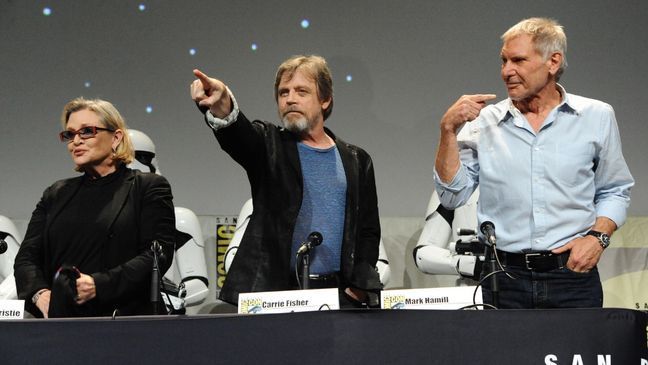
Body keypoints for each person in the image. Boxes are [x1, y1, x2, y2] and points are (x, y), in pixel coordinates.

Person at [434, 18, 634, 309]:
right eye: (503, 61)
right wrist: (447, 132)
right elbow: (452, 195)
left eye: (518, 60)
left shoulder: (597, 116)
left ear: (553, 61)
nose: (506, 71)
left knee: (573, 354)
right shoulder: (483, 122)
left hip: (573, 276)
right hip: (503, 279)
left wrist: (597, 238)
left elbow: (616, 190)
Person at [190, 55, 382, 308]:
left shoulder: (357, 159)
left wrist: (357, 288)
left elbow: (368, 230)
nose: (290, 99)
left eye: (301, 91)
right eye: (283, 93)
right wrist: (222, 104)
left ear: (325, 100)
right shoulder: (269, 144)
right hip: (277, 295)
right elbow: (240, 136)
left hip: (340, 297)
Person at [14, 97, 177, 318]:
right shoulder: (55, 194)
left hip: (125, 323)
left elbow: (158, 254)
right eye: (70, 134)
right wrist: (39, 294)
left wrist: (98, 285)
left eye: (87, 131)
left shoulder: (147, 187)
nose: (76, 141)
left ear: (116, 138)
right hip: (61, 325)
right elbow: (26, 258)